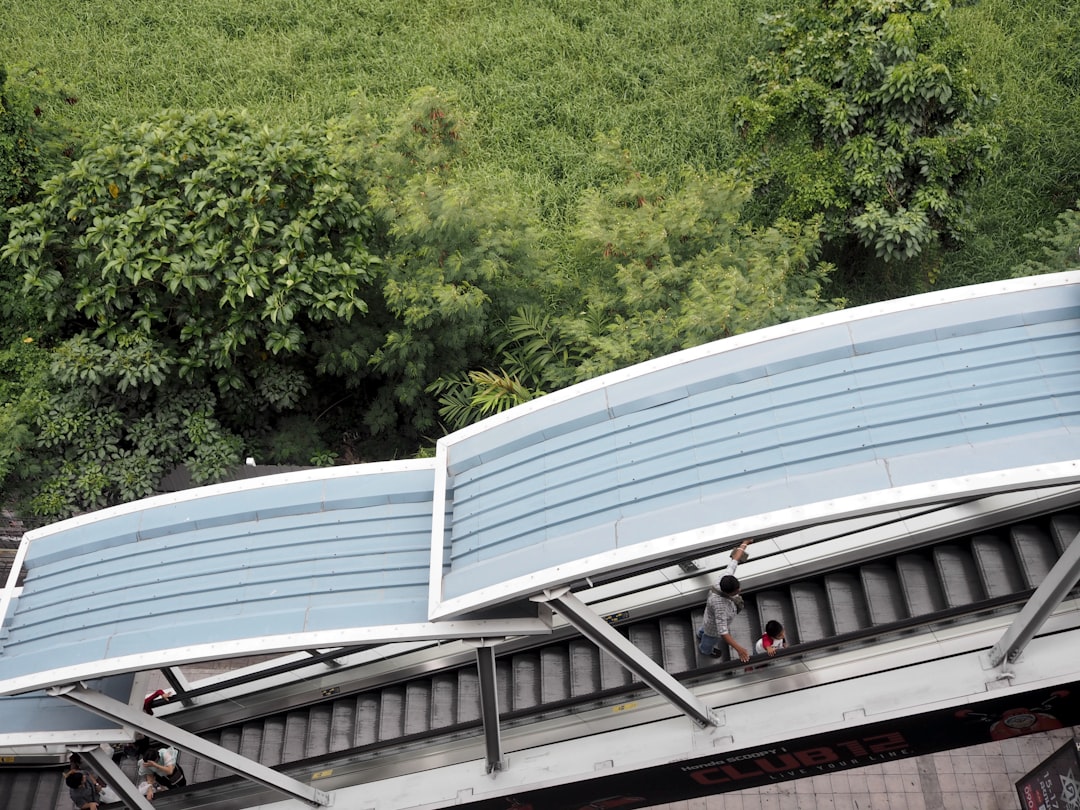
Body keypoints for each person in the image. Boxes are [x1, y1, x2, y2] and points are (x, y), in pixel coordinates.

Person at [698, 539, 753, 662]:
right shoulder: (720, 606)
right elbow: (723, 631)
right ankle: (705, 650)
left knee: (704, 629)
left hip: (708, 618)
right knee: (709, 639)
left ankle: (700, 634)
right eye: (736, 591)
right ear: (727, 593)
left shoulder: (724, 577)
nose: (739, 591)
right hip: (713, 629)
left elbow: (735, 560)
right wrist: (739, 649)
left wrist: (744, 543)